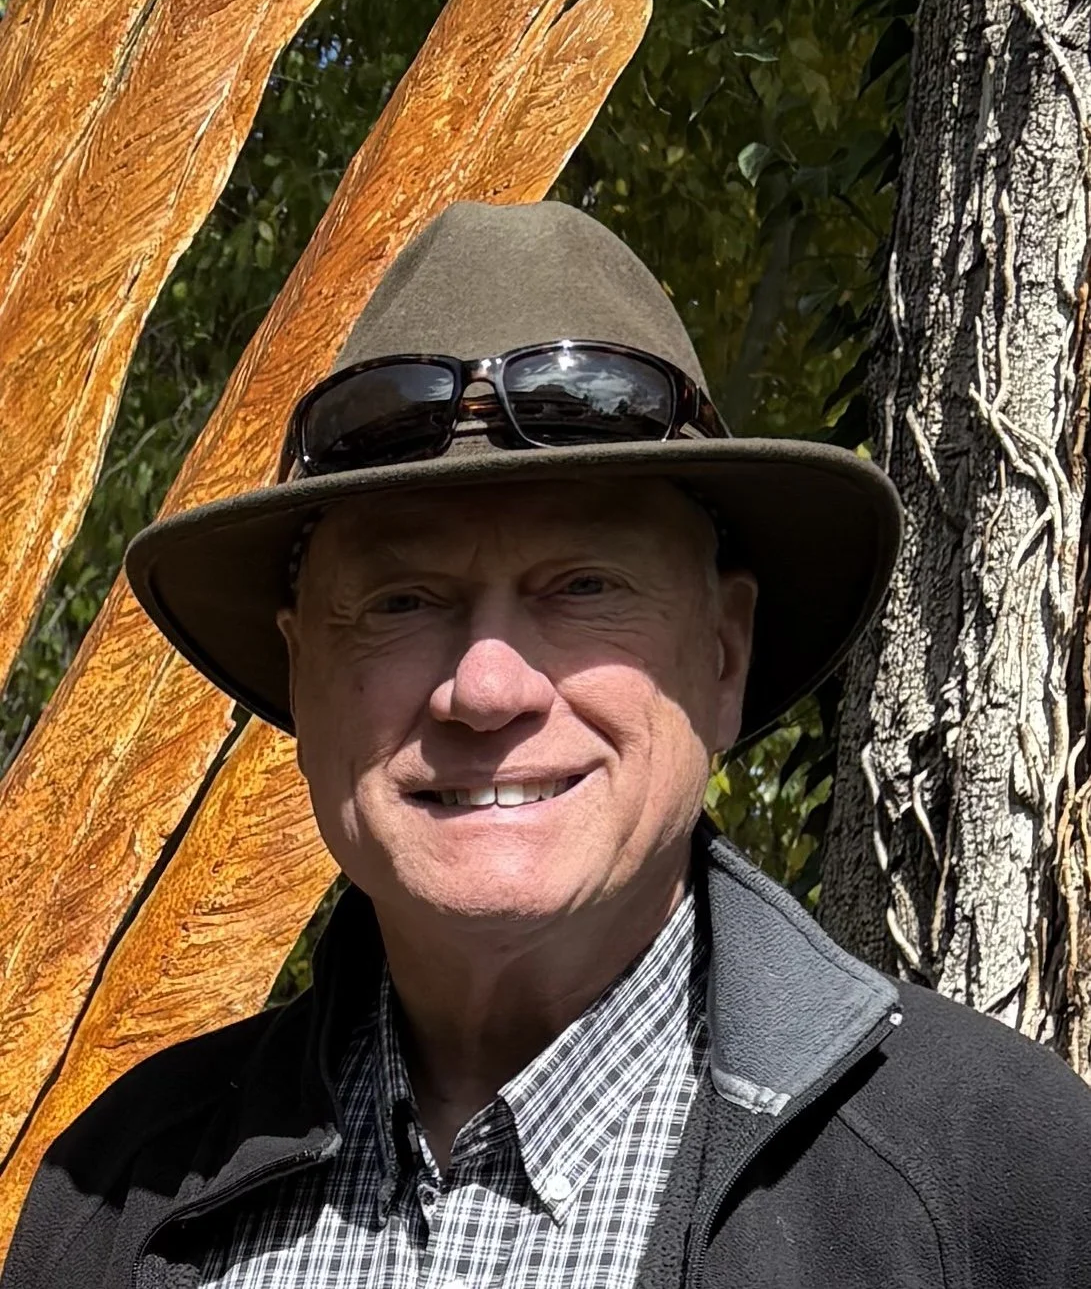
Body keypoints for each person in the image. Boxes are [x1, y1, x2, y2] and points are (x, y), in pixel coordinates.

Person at [4, 200, 1089, 1289]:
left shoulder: (1001, 1193)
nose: (485, 690)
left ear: (722, 656)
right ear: (302, 677)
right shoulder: (113, 1202)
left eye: (582, 587)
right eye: (399, 601)